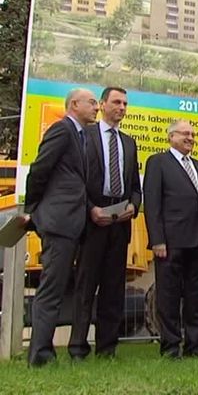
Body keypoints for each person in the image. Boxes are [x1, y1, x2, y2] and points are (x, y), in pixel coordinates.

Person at [24, 88, 99, 367]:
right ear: (74, 104)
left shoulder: (81, 137)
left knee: (58, 288)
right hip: (58, 223)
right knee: (51, 290)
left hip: (72, 223)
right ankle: (41, 356)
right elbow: (40, 169)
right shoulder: (62, 130)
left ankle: (43, 352)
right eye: (91, 103)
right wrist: (34, 210)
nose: (96, 108)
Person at [68, 87, 142, 360]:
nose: (122, 107)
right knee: (86, 287)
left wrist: (133, 206)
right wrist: (91, 210)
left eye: (125, 103)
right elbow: (74, 181)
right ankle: (77, 347)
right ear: (102, 104)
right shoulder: (84, 137)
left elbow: (135, 186)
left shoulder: (130, 143)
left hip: (120, 223)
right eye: (117, 102)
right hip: (92, 222)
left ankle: (107, 348)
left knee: (113, 288)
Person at [143, 120, 198, 358]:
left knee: (197, 297)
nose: (190, 138)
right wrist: (157, 240)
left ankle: (194, 346)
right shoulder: (158, 163)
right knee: (168, 296)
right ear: (171, 136)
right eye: (185, 133)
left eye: (193, 134)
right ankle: (171, 347)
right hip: (170, 243)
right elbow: (152, 204)